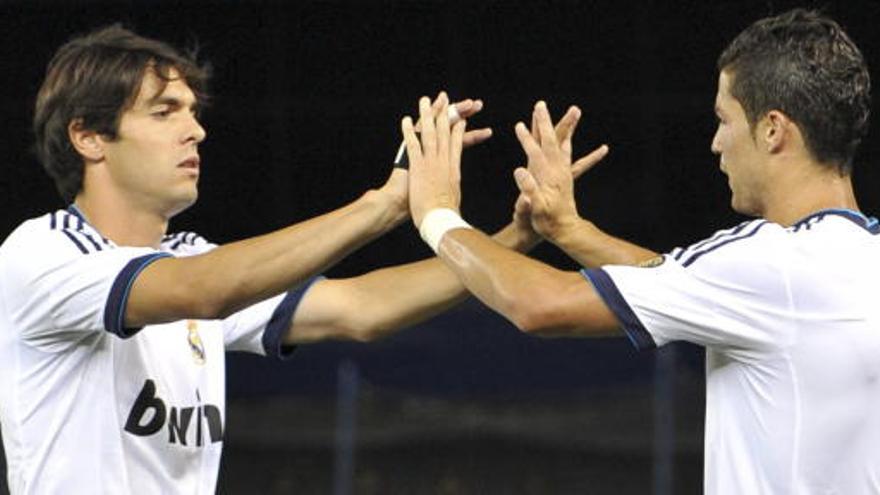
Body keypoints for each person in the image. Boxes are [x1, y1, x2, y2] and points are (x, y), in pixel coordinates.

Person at [0, 25, 608, 493]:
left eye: (192, 112)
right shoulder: (44, 253)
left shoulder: (189, 255)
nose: (196, 131)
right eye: (164, 112)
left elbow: (362, 309)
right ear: (88, 137)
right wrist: (387, 203)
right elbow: (201, 290)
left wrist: (512, 239)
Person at [403, 8, 879, 494]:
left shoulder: (773, 262)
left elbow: (540, 306)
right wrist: (569, 230)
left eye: (724, 119)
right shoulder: (856, 261)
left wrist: (436, 214)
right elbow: (679, 282)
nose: (717, 143)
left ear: (773, 129)